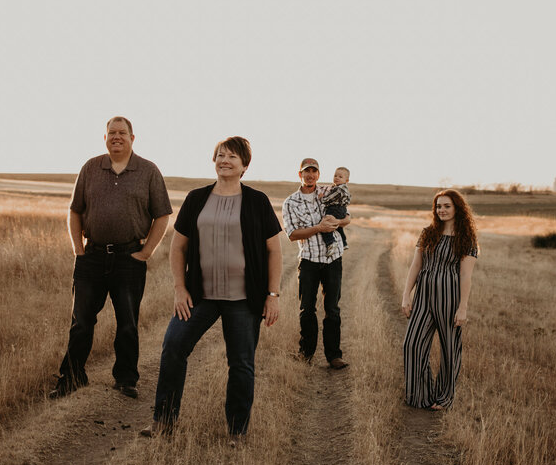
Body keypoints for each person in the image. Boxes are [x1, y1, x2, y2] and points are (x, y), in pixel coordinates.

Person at [140, 137, 282, 441]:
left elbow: (274, 251)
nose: (224, 160)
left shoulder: (257, 201)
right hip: (199, 295)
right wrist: (180, 288)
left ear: (245, 165)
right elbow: (178, 248)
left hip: (244, 299)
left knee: (241, 363)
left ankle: (237, 431)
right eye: (220, 155)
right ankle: (164, 422)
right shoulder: (196, 198)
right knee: (173, 347)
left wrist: (272, 295)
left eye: (232, 156)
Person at [49, 116, 172, 400]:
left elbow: (162, 214)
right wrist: (78, 250)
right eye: (111, 132)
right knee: (81, 321)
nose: (117, 137)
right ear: (104, 137)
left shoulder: (148, 171)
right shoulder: (91, 168)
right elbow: (75, 211)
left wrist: (145, 252)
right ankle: (71, 378)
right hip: (91, 257)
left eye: (122, 133)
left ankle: (126, 379)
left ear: (132, 137)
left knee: (127, 322)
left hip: (129, 258)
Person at [400, 190, 479, 409]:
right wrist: (407, 295)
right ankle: (420, 395)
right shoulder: (428, 233)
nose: (441, 210)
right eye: (438, 206)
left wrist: (462, 307)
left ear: (457, 209)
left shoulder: (467, 238)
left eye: (447, 206)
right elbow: (416, 265)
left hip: (450, 296)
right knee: (412, 344)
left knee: (449, 348)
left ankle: (444, 398)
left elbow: (465, 275)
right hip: (424, 296)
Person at [282, 158, 351, 369]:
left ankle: (334, 356)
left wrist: (337, 222)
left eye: (314, 171)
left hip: (332, 259)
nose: (310, 175)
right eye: (306, 172)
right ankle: (306, 354)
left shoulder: (328, 193)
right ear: (300, 174)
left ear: (319, 175)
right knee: (307, 309)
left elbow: (347, 217)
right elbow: (292, 234)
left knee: (333, 309)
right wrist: (319, 228)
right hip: (309, 260)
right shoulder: (290, 202)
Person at [318, 166, 352, 259]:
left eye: (340, 177)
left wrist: (322, 198)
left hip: (334, 209)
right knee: (338, 227)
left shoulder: (338, 189)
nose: (336, 178)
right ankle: (344, 243)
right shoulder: (343, 188)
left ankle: (330, 242)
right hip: (342, 210)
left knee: (326, 225)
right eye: (335, 175)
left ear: (346, 180)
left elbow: (329, 198)